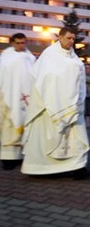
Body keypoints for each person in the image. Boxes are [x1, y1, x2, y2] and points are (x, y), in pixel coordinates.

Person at [21, 27, 90, 179]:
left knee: (77, 138)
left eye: (73, 39)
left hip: (72, 105)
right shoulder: (49, 55)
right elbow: (45, 78)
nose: (71, 41)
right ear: (60, 37)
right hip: (50, 105)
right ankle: (39, 169)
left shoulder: (73, 58)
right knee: (45, 139)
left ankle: (79, 169)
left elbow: (78, 80)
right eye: (68, 38)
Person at [0, 33, 36, 170]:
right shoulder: (5, 59)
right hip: (8, 97)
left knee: (26, 125)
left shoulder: (30, 57)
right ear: (12, 43)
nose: (21, 45)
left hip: (26, 97)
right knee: (8, 127)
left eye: (23, 43)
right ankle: (7, 158)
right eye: (18, 43)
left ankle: (20, 156)